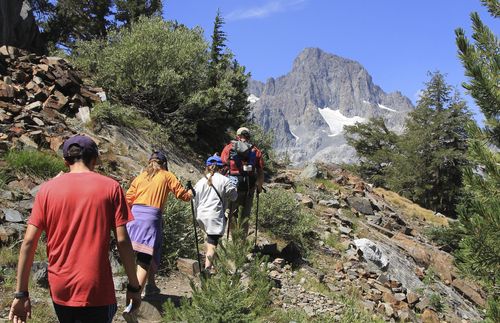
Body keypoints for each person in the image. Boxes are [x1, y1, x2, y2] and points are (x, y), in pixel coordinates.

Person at [9, 135, 141, 323]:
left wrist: (21, 294)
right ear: (94, 159)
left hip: (60, 287)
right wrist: (134, 287)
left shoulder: (46, 191)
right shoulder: (111, 188)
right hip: (96, 287)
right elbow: (122, 241)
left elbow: (29, 242)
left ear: (65, 161)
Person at [125, 151, 192, 297]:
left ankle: (149, 285)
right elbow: (182, 195)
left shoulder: (141, 176)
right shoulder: (167, 176)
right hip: (151, 218)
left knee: (133, 254)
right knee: (145, 257)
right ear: (165, 164)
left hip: (134, 217)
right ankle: (135, 297)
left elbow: (128, 198)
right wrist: (190, 194)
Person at [193, 155, 237, 272]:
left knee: (209, 241)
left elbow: (194, 199)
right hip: (214, 216)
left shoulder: (201, 181)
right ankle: (207, 270)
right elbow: (233, 196)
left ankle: (216, 267)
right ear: (221, 168)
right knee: (212, 244)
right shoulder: (224, 180)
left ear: (207, 167)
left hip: (201, 215)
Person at [221, 127, 264, 237]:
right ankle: (241, 244)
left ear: (237, 136)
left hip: (232, 186)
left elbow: (222, 168)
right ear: (249, 137)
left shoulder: (228, 148)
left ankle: (232, 239)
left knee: (230, 213)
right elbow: (260, 172)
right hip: (248, 187)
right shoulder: (255, 151)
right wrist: (259, 188)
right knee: (245, 216)